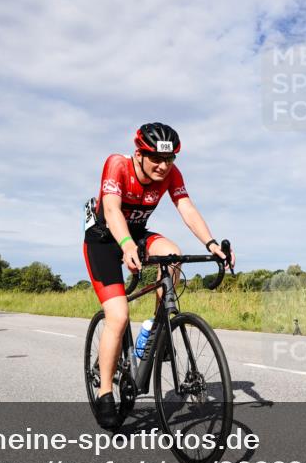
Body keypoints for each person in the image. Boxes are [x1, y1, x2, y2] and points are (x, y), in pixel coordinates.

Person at [83, 122, 234, 428]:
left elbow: (186, 208)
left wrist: (212, 244)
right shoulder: (118, 165)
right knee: (118, 316)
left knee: (173, 255)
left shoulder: (170, 174)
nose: (163, 166)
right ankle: (105, 391)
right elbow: (111, 210)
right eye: (156, 158)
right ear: (139, 154)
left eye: (169, 159)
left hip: (137, 234)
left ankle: (155, 328)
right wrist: (126, 245)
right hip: (104, 240)